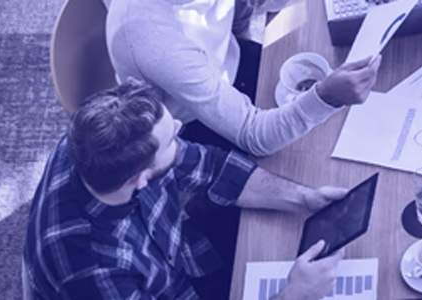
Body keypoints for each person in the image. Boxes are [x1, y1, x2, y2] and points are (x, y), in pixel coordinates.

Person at [24, 79, 350, 299]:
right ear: (139, 179)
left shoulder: (98, 144)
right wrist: (296, 293)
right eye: (171, 139)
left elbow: (213, 168)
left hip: (180, 258)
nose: (180, 127)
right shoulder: (93, 269)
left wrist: (303, 197)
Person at [105, 0, 382, 156]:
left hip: (230, 60)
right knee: (321, 160)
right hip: (193, 122)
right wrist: (326, 98)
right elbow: (255, 135)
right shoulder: (146, 33)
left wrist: (246, 14)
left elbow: (244, 13)